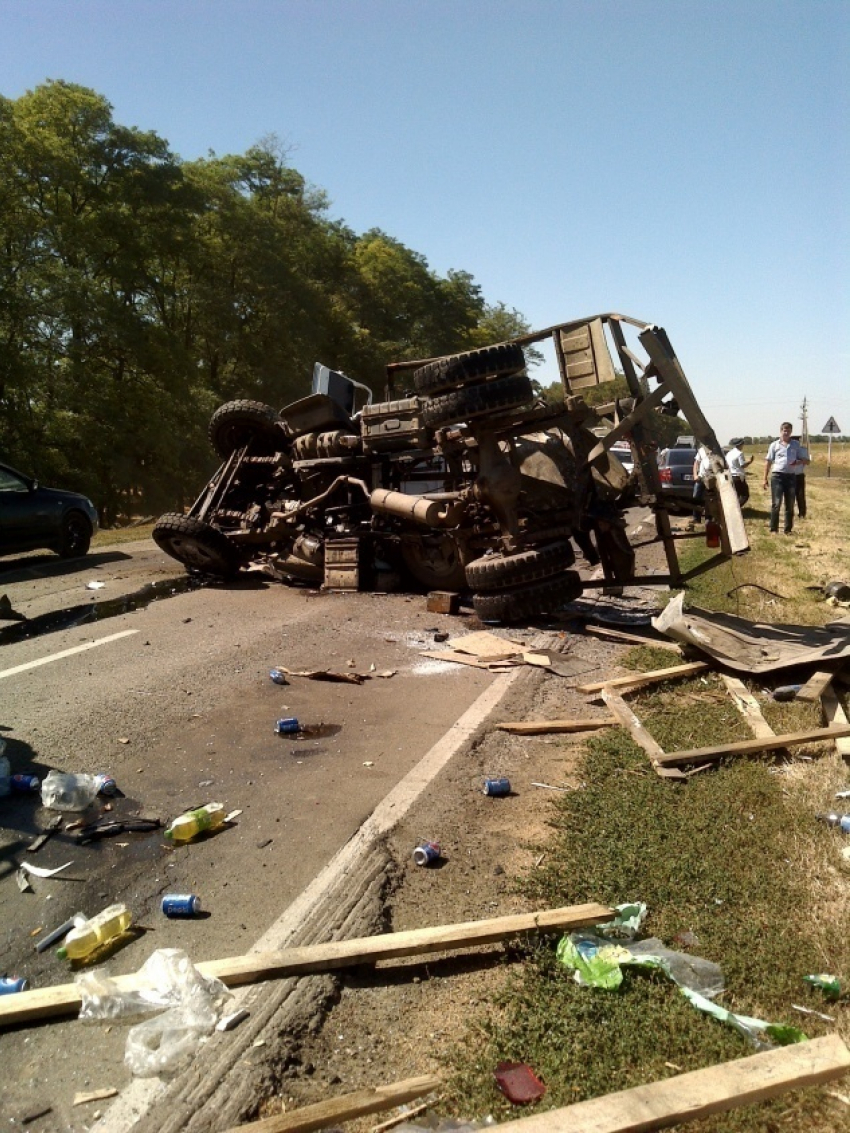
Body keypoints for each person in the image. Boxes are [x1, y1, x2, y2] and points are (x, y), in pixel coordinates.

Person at [763, 422, 809, 534]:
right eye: (784, 430)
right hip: (777, 476)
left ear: (791, 432)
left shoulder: (795, 445)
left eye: (788, 430)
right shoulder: (774, 445)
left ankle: (788, 529)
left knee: (790, 504)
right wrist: (764, 478)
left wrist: (798, 462)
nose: (786, 432)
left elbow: (805, 460)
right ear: (781, 431)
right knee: (776, 503)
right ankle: (774, 529)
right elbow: (768, 462)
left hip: (791, 477)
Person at [688, 444, 712, 527]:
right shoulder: (701, 450)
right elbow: (696, 463)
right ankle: (696, 518)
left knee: (710, 499)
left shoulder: (716, 449)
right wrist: (695, 475)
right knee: (696, 497)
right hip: (701, 477)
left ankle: (708, 518)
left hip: (712, 478)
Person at [726, 437, 753, 504]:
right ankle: (737, 509)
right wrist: (750, 461)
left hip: (730, 475)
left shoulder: (729, 453)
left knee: (735, 495)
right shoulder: (739, 453)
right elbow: (743, 465)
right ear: (741, 444)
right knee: (745, 495)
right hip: (738, 476)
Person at [790, 435, 809, 518]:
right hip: (789, 475)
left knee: (800, 495)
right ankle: (790, 513)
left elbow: (808, 462)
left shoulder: (803, 450)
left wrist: (800, 461)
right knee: (790, 496)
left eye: (797, 441)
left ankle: (802, 513)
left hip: (799, 475)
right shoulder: (788, 450)